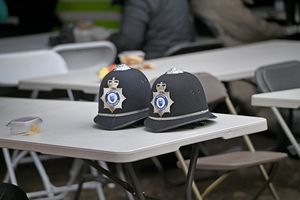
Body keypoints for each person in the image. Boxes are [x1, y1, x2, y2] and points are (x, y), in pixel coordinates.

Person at [109, 0, 195, 59]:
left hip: (158, 58)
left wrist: (109, 41)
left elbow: (129, 42)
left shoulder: (138, 2)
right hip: (185, 53)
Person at [191, 0, 285, 46]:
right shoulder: (226, 3)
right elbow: (253, 31)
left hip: (227, 45)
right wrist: (280, 30)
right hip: (237, 48)